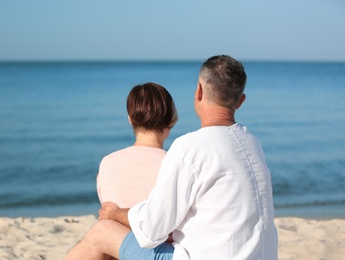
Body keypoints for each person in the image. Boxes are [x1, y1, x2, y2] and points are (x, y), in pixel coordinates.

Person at [65, 55, 278, 260]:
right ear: (240, 101)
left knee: (103, 231)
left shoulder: (191, 147)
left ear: (199, 92)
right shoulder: (252, 143)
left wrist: (116, 213)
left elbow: (152, 227)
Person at [97, 82, 178, 209]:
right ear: (170, 120)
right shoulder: (175, 165)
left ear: (130, 119)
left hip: (114, 227)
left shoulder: (108, 162)